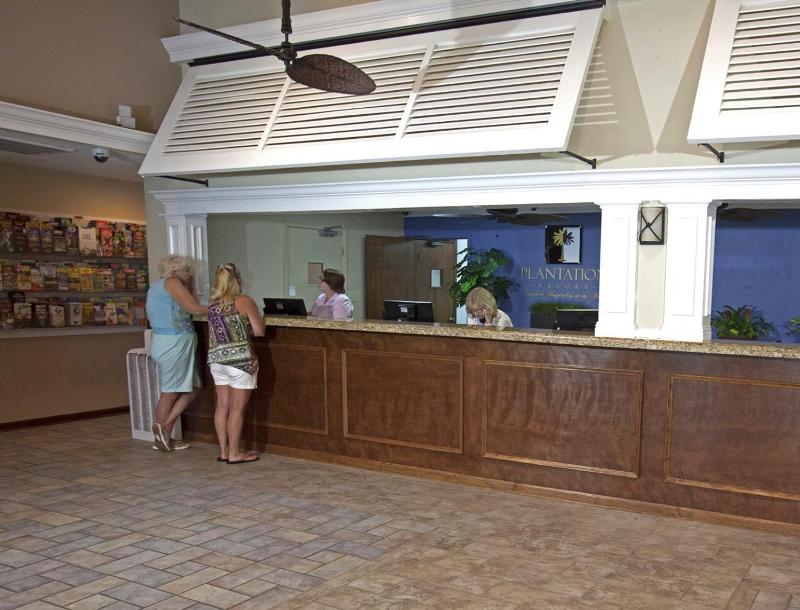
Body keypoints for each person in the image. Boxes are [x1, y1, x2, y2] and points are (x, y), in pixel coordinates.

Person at [146, 255, 207, 452]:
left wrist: (192, 285)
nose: (189, 274)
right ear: (175, 271)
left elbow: (192, 304)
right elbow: (195, 308)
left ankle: (164, 429)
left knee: (193, 389)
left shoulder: (156, 286)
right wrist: (223, 308)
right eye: (186, 270)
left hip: (166, 341)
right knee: (170, 392)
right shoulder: (171, 283)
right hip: (175, 343)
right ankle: (163, 433)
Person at [207, 263, 266, 464]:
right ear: (238, 281)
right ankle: (235, 453)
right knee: (236, 410)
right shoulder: (244, 301)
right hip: (240, 362)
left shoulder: (213, 303)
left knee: (222, 406)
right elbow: (259, 331)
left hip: (217, 360)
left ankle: (224, 451)